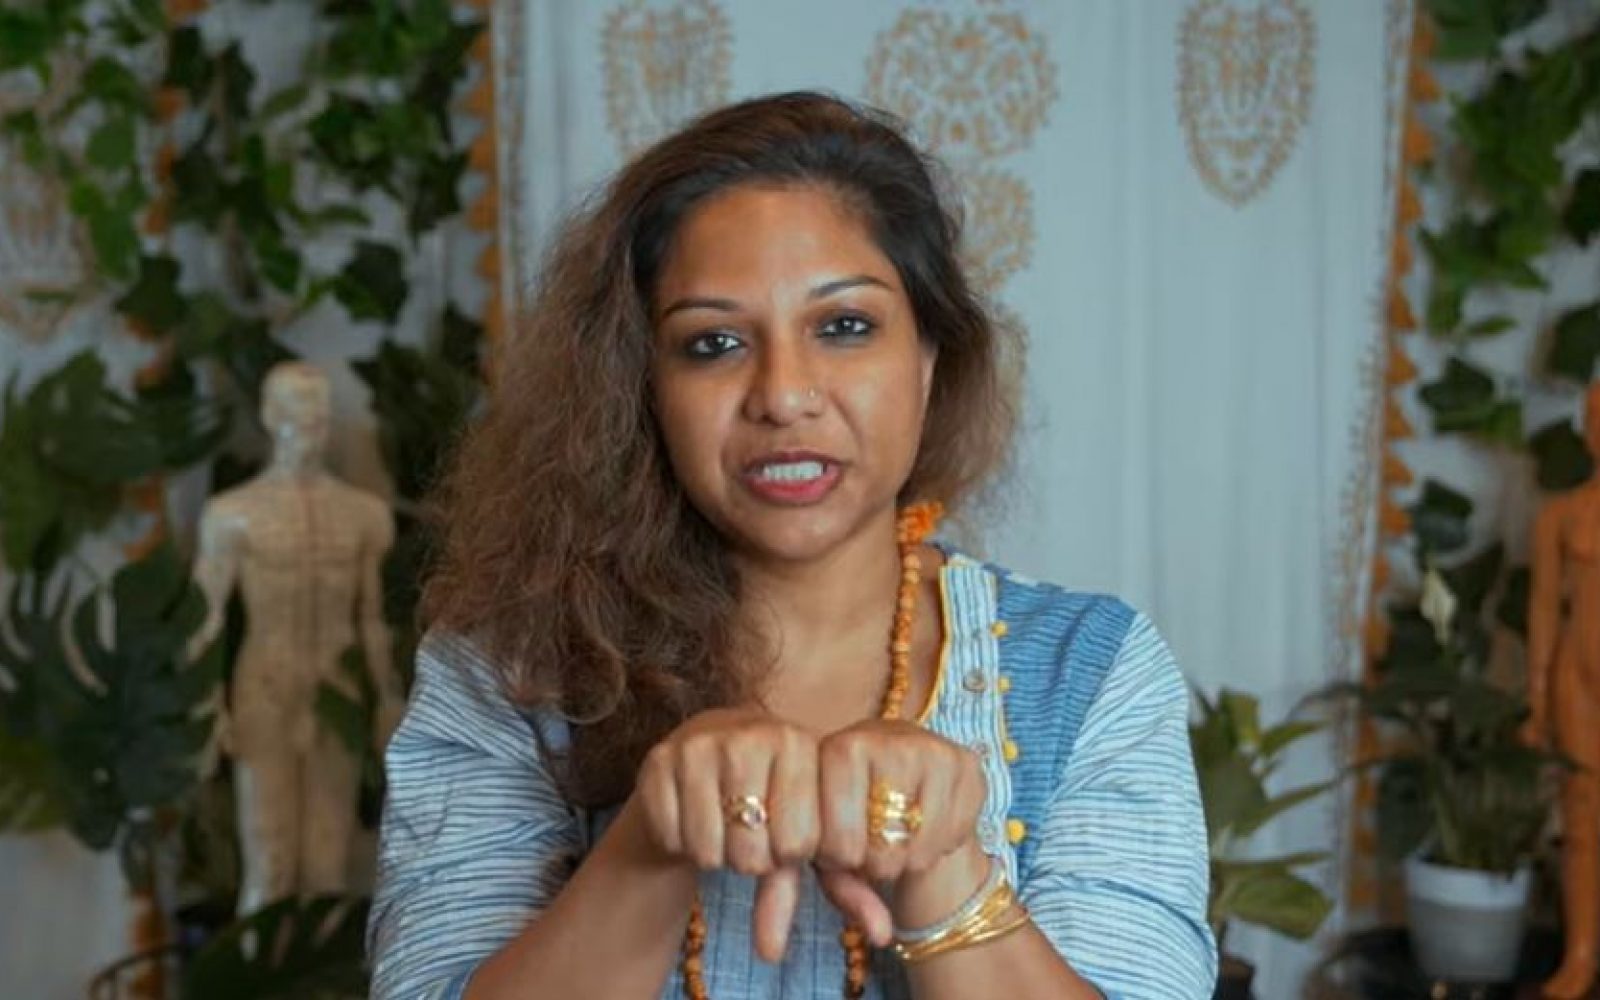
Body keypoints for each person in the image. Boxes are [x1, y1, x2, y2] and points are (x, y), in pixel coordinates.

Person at [368, 91, 1216, 999]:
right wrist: (651, 842)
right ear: (642, 386)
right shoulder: (507, 670)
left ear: (929, 356)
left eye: (843, 327)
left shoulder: (1093, 673)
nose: (782, 395)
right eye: (713, 343)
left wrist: (943, 876)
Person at [188, 361, 402, 916]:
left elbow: (373, 619)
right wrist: (206, 704)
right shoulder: (233, 516)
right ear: (270, 416)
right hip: (265, 687)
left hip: (338, 689)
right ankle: (259, 963)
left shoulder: (364, 516)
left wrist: (388, 700)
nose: (311, 426)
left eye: (319, 414)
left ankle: (316, 964)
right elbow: (204, 618)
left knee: (328, 863)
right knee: (271, 858)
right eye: (298, 413)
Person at [1525, 382, 1600, 1000]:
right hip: (1577, 676)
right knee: (1579, 816)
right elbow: (1544, 611)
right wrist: (1536, 698)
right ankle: (1579, 953)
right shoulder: (1562, 516)